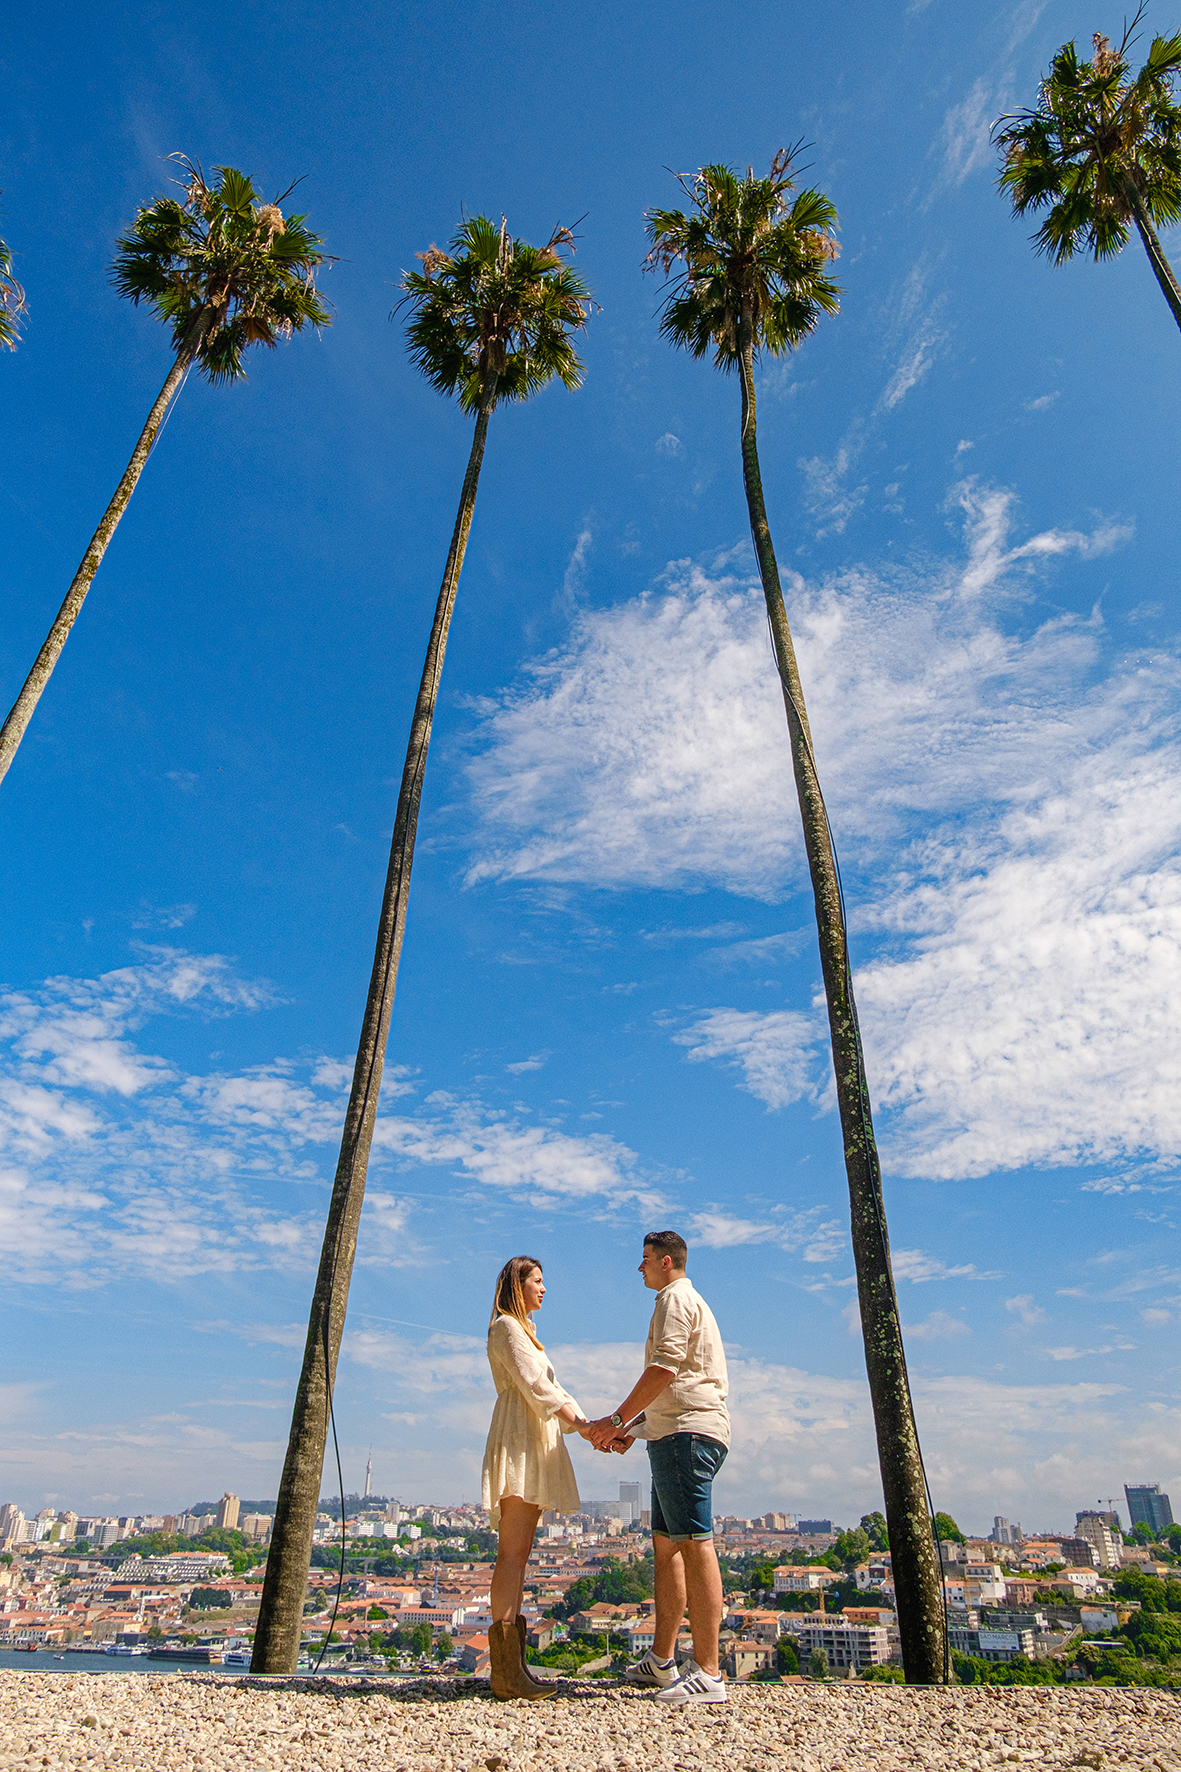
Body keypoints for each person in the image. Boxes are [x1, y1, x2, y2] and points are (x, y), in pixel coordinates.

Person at [585, 1230, 730, 1705]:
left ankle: (709, 1672)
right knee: (668, 1545)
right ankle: (662, 1660)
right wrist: (636, 1428)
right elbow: (680, 1382)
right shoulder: (686, 1301)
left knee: (695, 1544)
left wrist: (616, 1420)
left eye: (645, 1259)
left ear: (666, 1261)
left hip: (686, 1436)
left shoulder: (673, 1299)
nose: (640, 1267)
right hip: (677, 1434)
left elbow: (665, 1369)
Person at [481, 1254, 591, 1700]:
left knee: (519, 1552)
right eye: (538, 1281)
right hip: (521, 1435)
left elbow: (553, 1390)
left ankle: (512, 1667)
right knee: (513, 1552)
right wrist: (587, 1428)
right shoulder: (507, 1328)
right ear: (518, 1284)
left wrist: (590, 1427)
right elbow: (538, 1387)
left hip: (530, 1433)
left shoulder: (522, 1331)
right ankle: (506, 1671)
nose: (544, 1289)